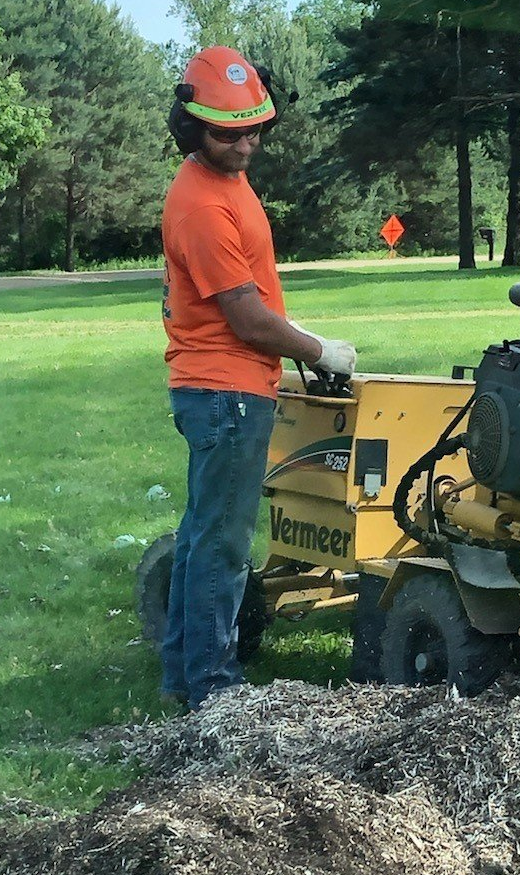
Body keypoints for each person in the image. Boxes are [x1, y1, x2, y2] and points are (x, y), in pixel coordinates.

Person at [159, 46, 356, 711]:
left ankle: (183, 675)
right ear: (191, 128)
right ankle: (213, 689)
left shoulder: (223, 180)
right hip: (226, 392)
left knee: (200, 535)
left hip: (221, 387)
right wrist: (318, 348)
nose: (245, 144)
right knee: (222, 545)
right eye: (228, 132)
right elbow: (245, 318)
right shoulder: (200, 205)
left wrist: (292, 345)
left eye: (254, 129)